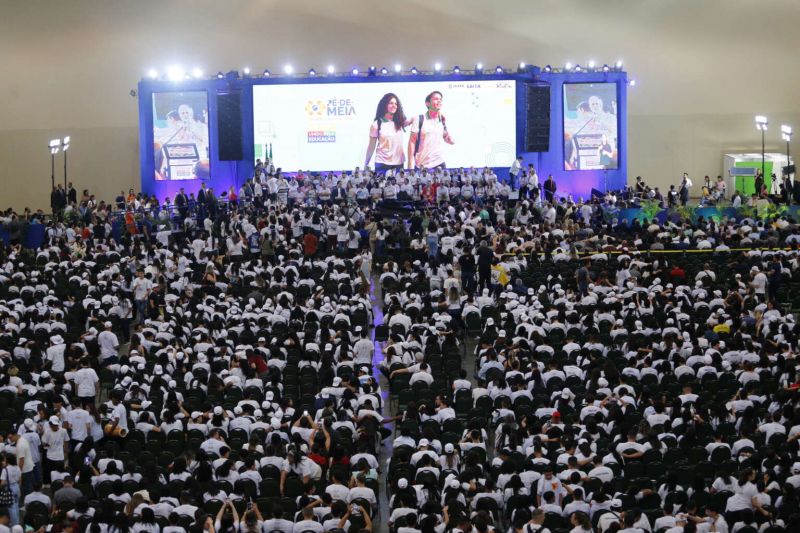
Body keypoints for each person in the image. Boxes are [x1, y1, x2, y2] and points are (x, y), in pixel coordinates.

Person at [364, 93, 410, 174]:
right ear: (384, 105)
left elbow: (412, 120)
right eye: (391, 103)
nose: (394, 106)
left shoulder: (399, 122)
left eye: (396, 104)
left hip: (399, 163)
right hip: (382, 164)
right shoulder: (376, 124)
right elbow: (371, 146)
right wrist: (366, 163)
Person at [408, 91, 454, 170]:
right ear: (427, 103)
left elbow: (447, 138)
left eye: (440, 99)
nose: (439, 101)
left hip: (439, 163)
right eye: (436, 99)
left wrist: (450, 139)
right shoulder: (419, 119)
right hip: (421, 165)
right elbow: (412, 141)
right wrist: (410, 163)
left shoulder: (442, 119)